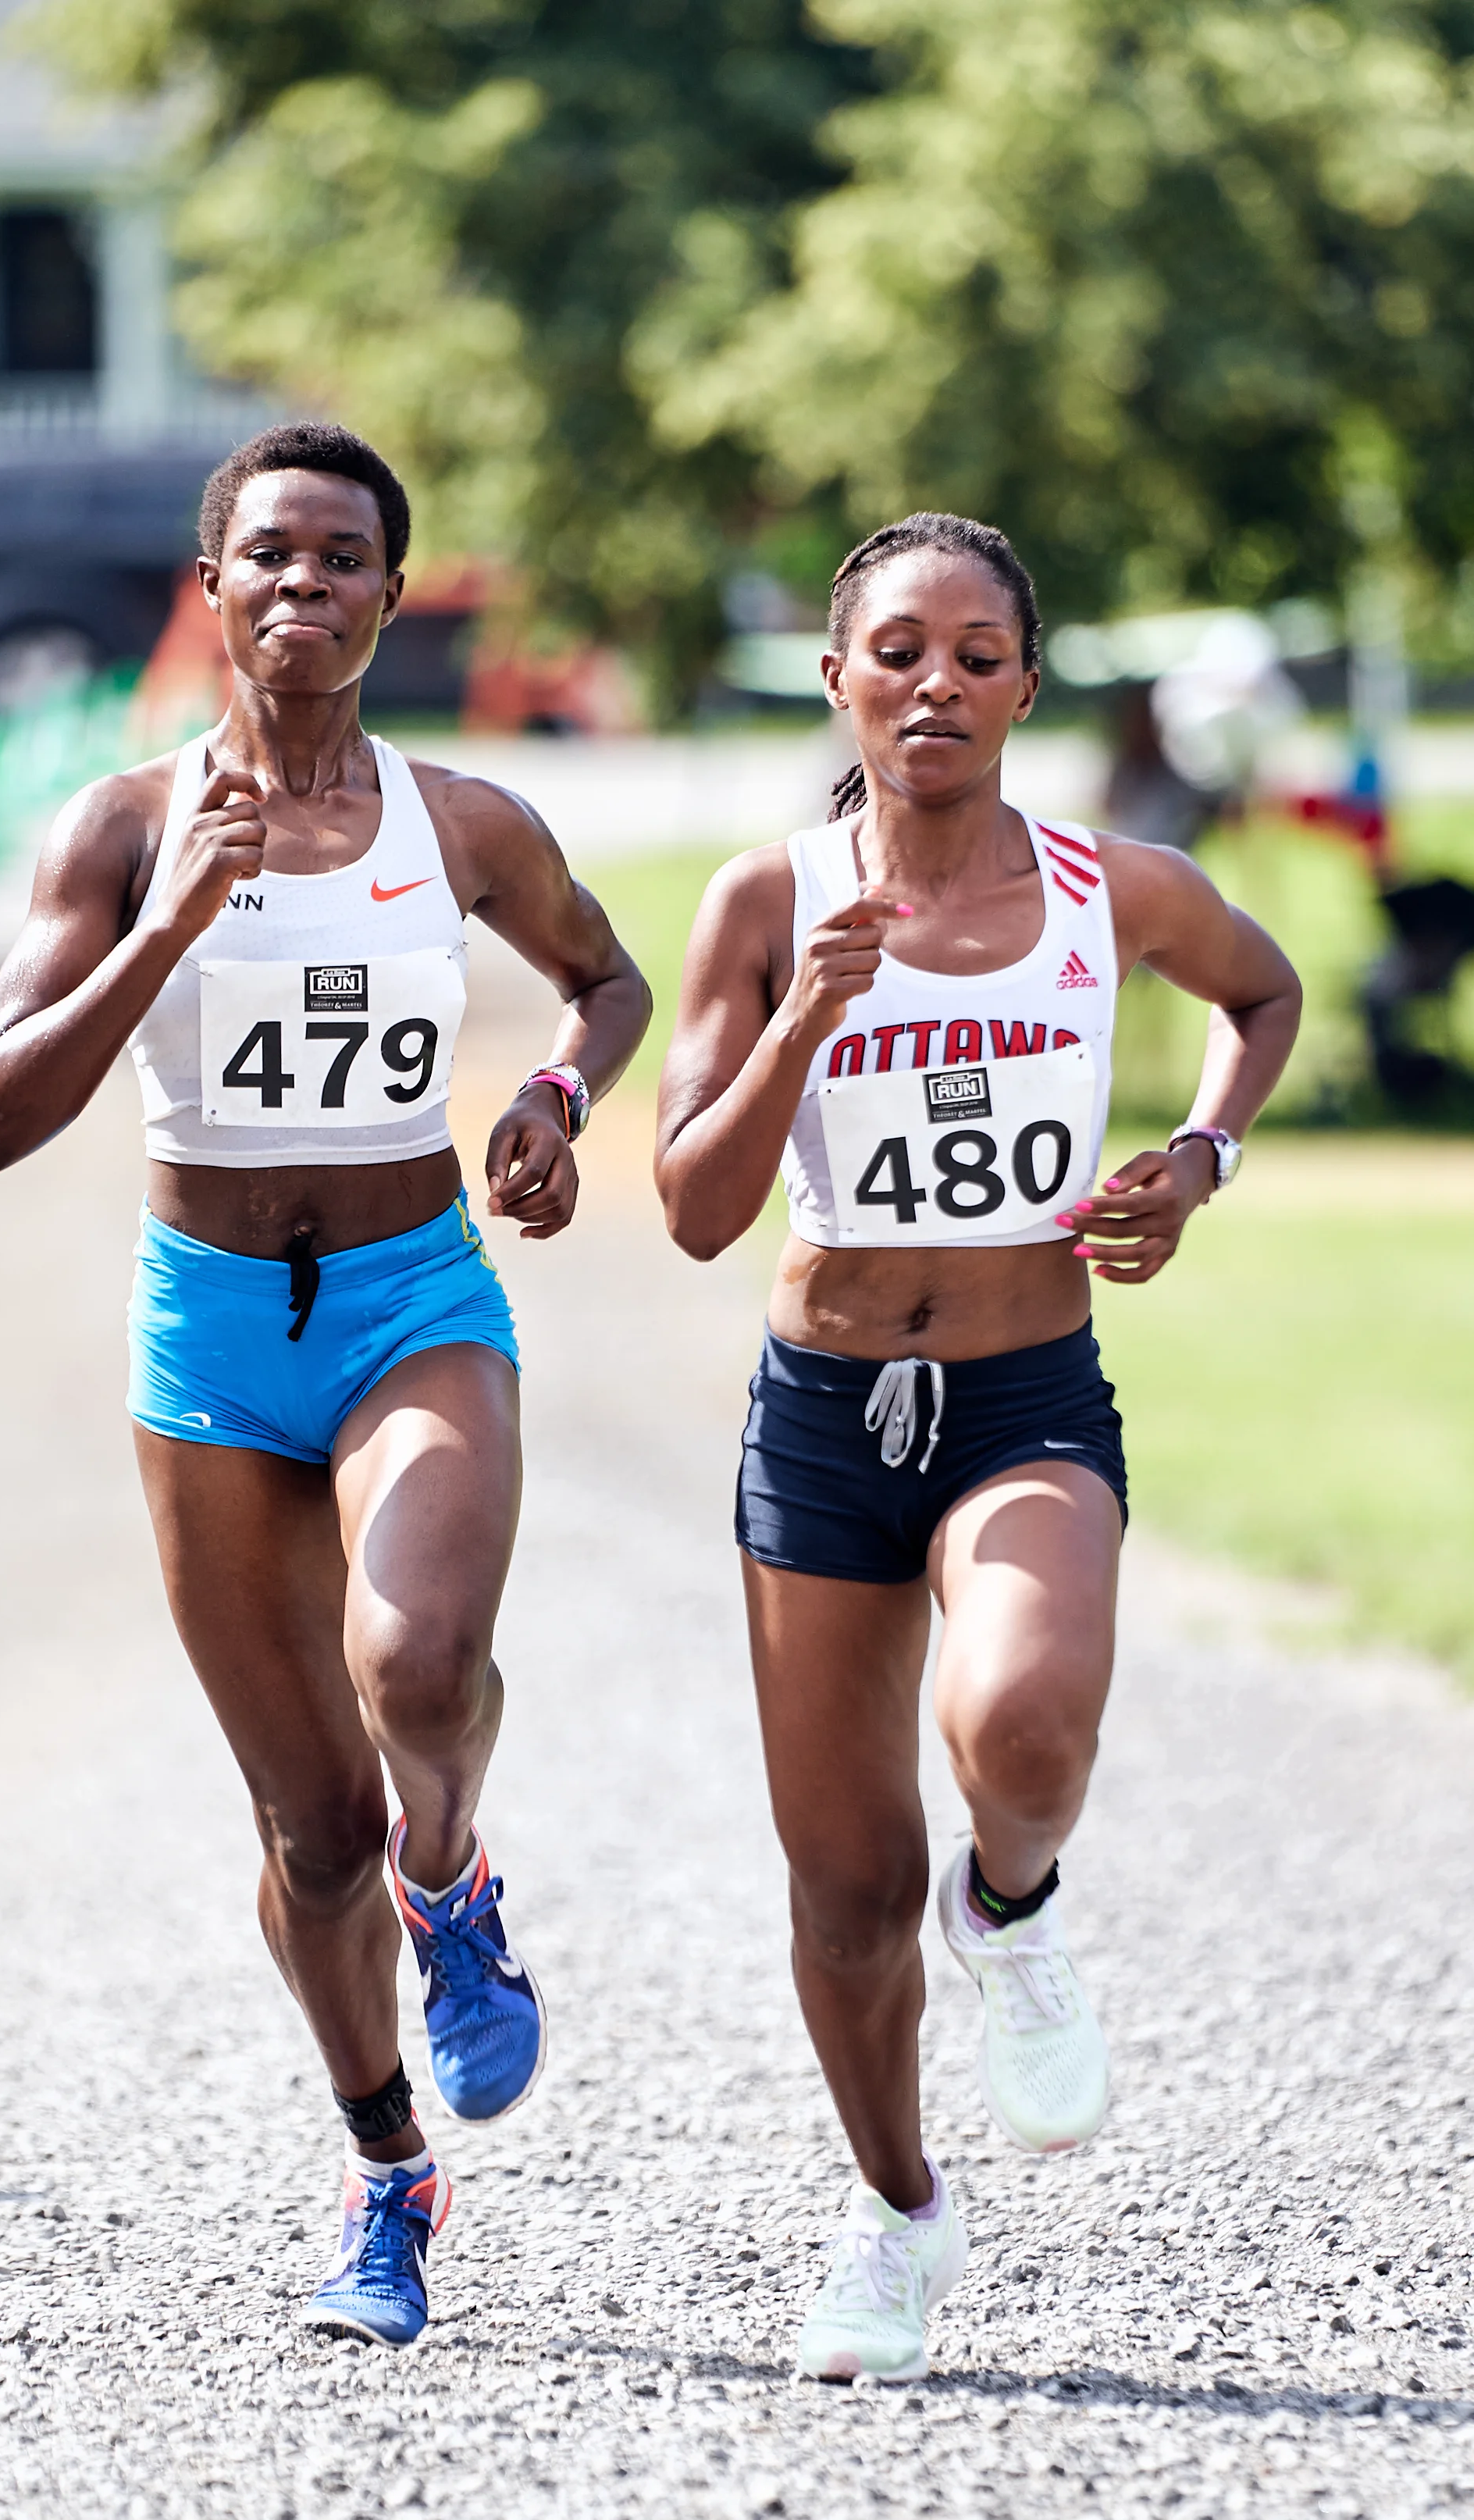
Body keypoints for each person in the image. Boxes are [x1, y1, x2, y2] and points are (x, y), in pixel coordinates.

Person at [0, 421, 650, 2347]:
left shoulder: (467, 824)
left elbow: (610, 985)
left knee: (419, 1666)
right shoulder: (115, 827)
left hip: (409, 1292)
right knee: (306, 1834)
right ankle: (386, 2172)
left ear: (389, 593)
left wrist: (551, 1092)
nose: (303, 586)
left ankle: (460, 1881)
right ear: (213, 590)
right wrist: (170, 921)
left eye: (343, 557)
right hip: (204, 1334)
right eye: (267, 554)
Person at [655, 512, 1300, 2384]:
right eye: (897, 651)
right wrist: (805, 1012)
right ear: (840, 678)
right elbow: (695, 1208)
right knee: (846, 1891)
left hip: (1027, 1394)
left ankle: (1013, 1903)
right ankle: (896, 2210)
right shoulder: (763, 901)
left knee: (1021, 1726)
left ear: (1025, 683)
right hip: (825, 1413)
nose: (933, 682)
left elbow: (1259, 995)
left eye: (975, 653)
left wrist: (1199, 1158)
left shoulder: (1116, 886)